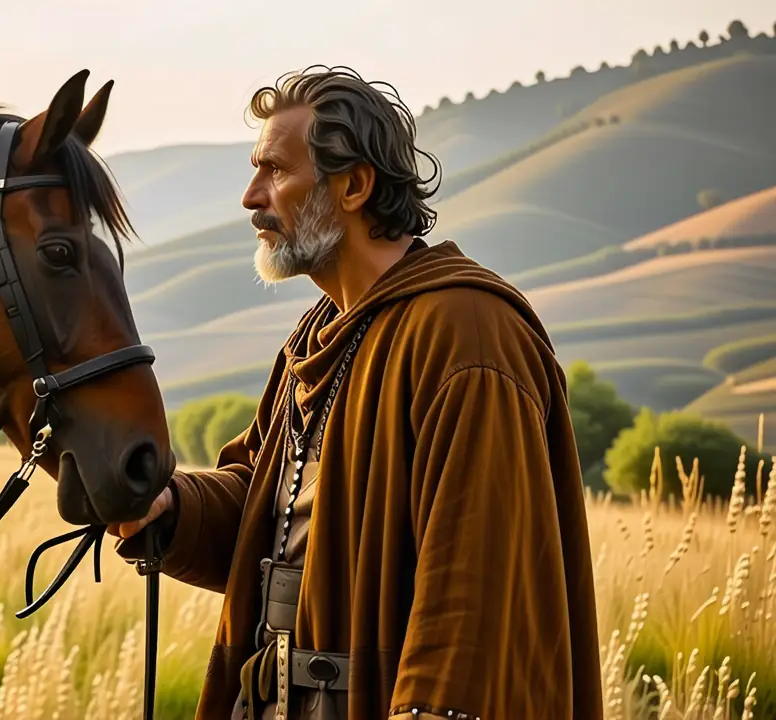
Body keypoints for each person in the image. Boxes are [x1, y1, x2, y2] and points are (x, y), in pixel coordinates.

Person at [111, 66, 604, 720]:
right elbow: (264, 512)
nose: (251, 197)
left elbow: (475, 594)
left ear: (354, 185)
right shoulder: (318, 333)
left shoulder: (466, 335)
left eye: (275, 171)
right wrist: (167, 507)